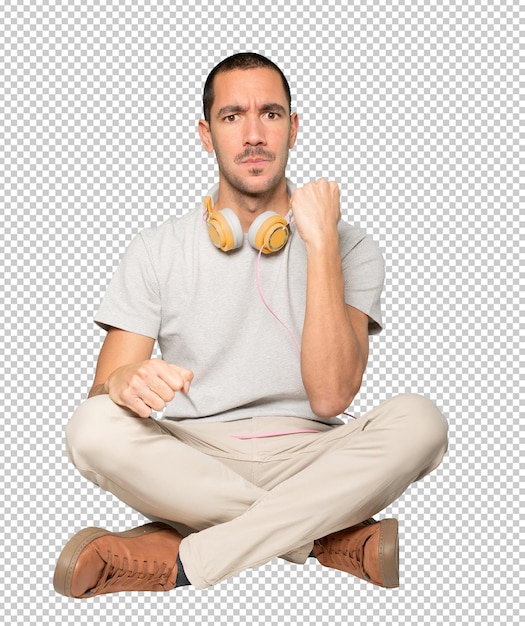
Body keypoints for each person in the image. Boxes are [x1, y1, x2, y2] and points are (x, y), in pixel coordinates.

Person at [53, 52, 448, 598]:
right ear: (206, 134)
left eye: (271, 114)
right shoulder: (154, 249)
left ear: (294, 127)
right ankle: (323, 539)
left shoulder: (349, 246)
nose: (254, 134)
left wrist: (321, 241)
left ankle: (185, 562)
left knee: (422, 420)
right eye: (232, 116)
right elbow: (102, 390)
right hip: (194, 458)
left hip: (316, 457)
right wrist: (121, 383)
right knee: (90, 427)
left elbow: (332, 395)